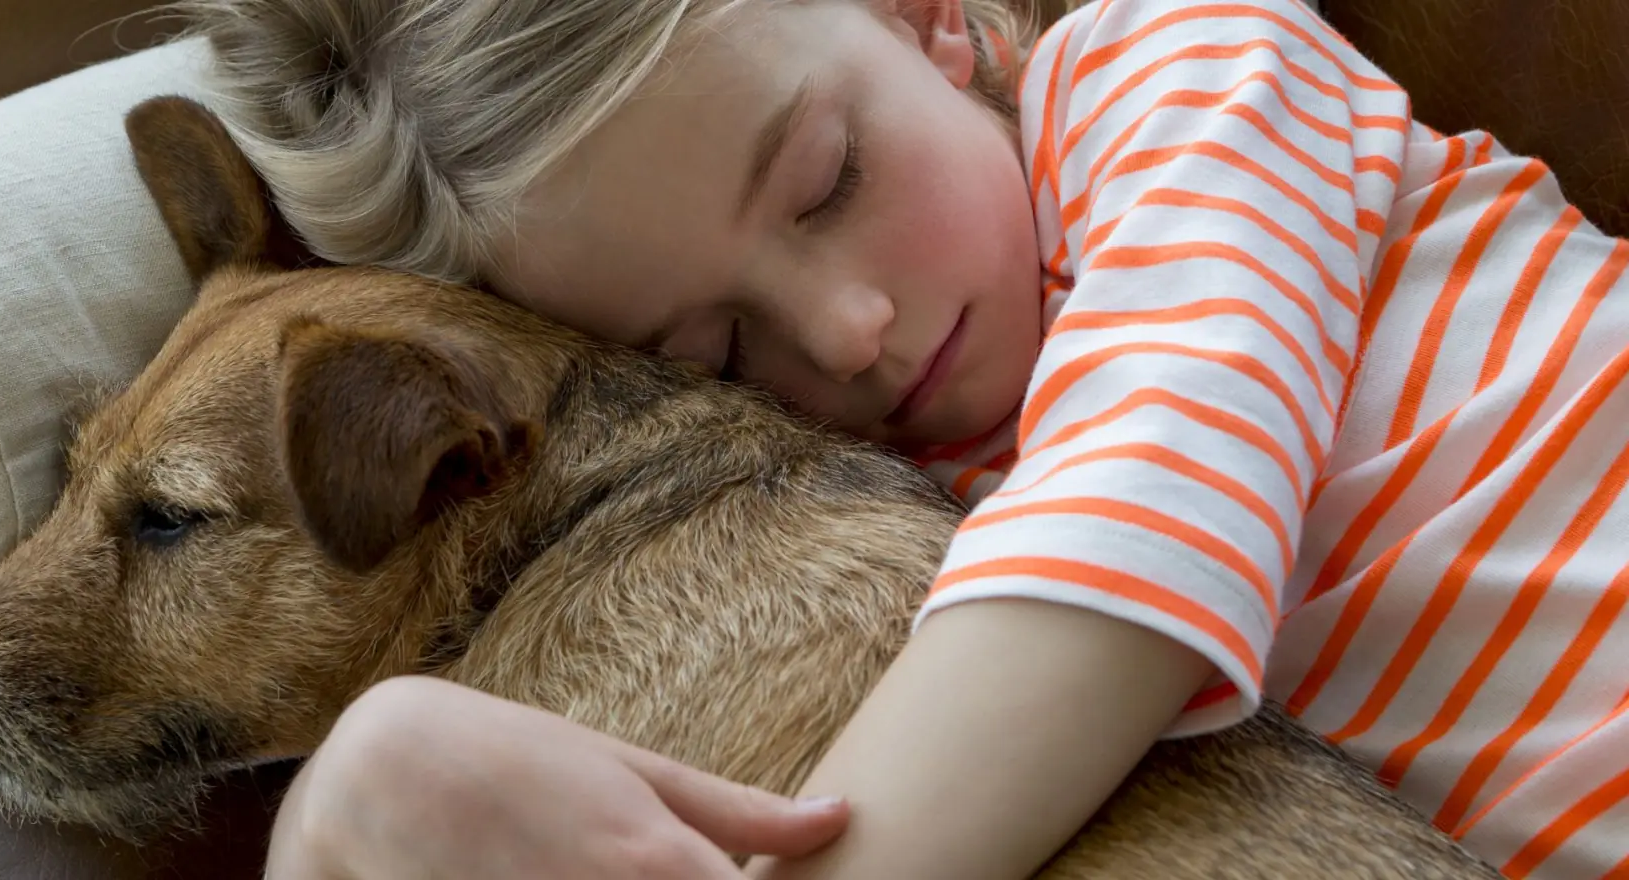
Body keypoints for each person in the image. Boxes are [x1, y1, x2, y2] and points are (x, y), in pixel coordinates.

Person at [181, 0, 1629, 876]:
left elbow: (1138, 533)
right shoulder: (860, 514)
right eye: (718, 348)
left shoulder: (1180, 70)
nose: (850, 330)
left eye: (827, 180)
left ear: (923, 14)